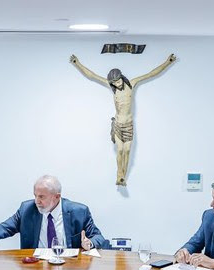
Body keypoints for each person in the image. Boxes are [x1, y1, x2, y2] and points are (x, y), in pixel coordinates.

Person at [70, 54, 176, 186]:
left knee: (127, 151)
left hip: (129, 125)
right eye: (114, 82)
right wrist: (77, 63)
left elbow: (151, 74)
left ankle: (123, 176)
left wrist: (167, 62)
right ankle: (119, 175)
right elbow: (92, 76)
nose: (117, 83)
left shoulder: (132, 84)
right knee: (119, 150)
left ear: (122, 77)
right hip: (118, 124)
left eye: (118, 80)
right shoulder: (112, 87)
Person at [0, 175, 107, 250]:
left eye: (42, 197)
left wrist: (90, 243)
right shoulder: (27, 209)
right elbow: (5, 227)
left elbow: (98, 237)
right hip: (36, 268)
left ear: (57, 196)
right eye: (35, 195)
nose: (37, 201)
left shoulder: (79, 212)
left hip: (70, 268)